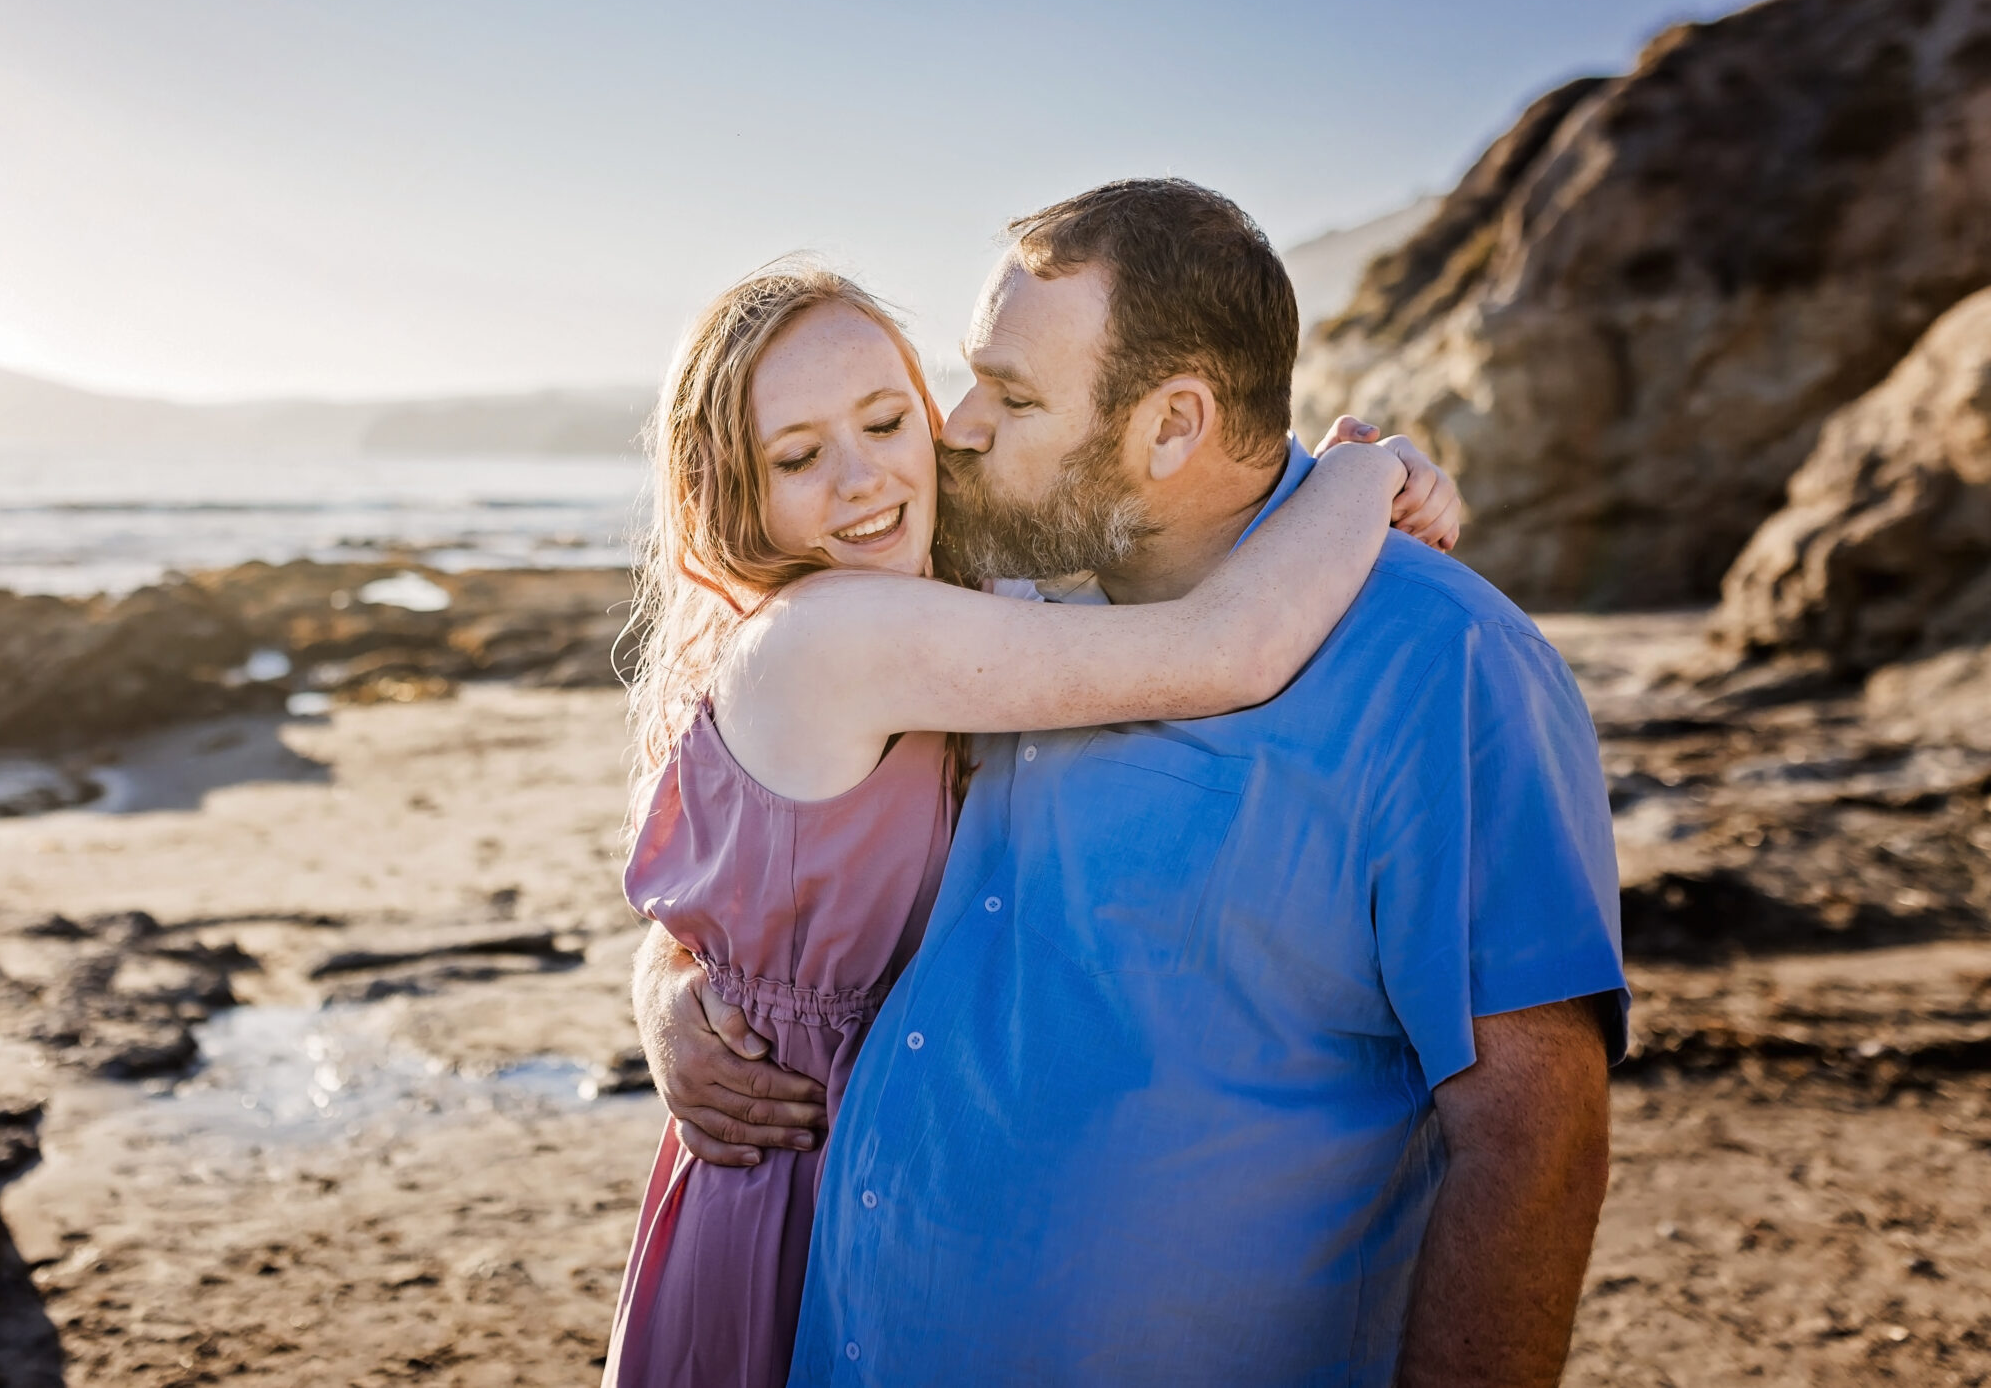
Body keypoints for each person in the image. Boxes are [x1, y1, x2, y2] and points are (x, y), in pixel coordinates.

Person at [638, 179, 1627, 1387]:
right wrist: (676, 987)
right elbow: (760, 863)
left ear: (1168, 427)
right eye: (967, 377)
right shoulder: (990, 601)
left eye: (1009, 394)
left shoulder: (1439, 660)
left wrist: (1365, 480)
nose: (956, 426)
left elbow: (1534, 1135)